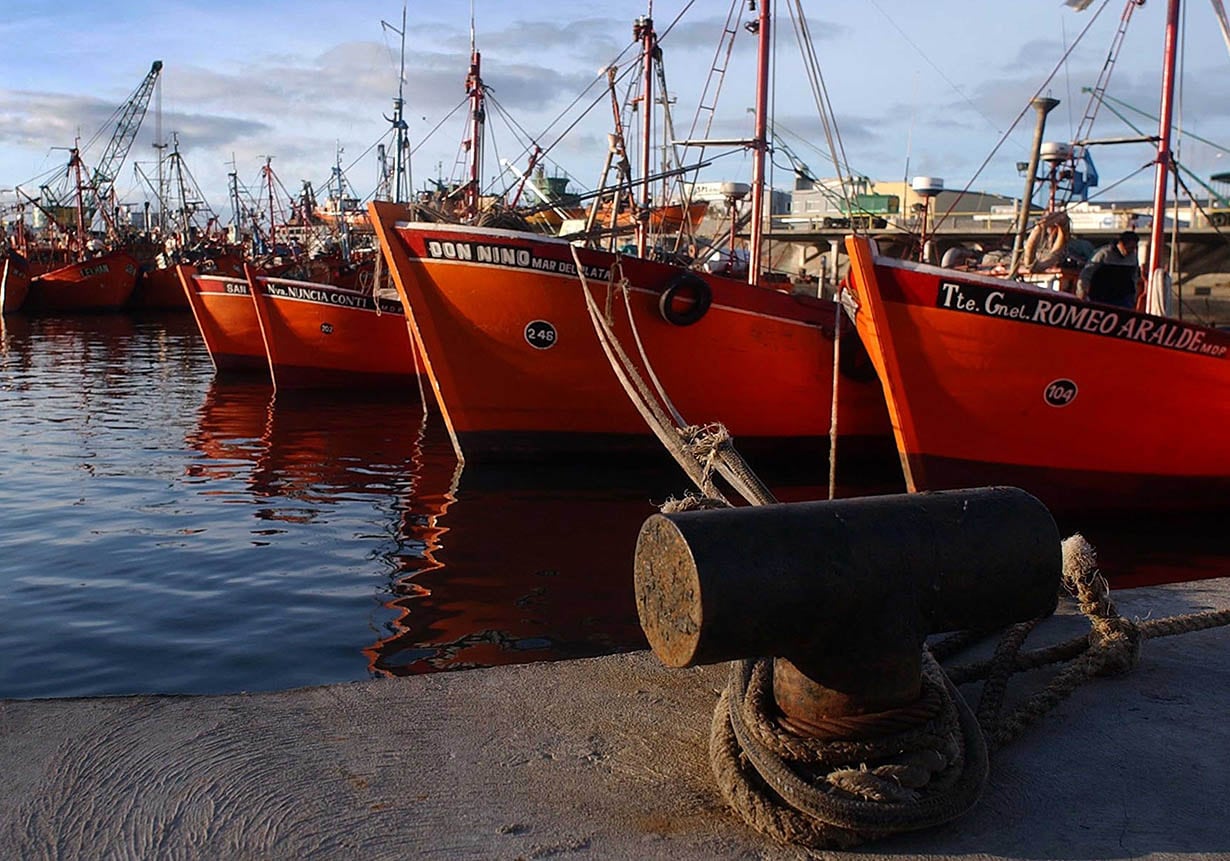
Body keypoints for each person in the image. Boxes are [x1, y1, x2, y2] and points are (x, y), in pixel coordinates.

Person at [1077, 230, 1140, 307]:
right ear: (1121, 244)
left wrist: (1134, 294)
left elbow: (1134, 276)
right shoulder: (1103, 253)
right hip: (1101, 297)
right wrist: (1082, 290)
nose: (1131, 251)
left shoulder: (1133, 257)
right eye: (1130, 248)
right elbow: (1087, 273)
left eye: (1133, 248)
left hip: (1123, 299)